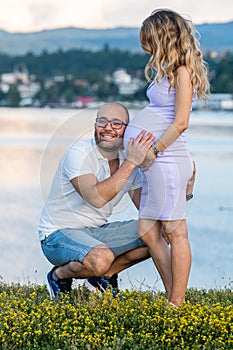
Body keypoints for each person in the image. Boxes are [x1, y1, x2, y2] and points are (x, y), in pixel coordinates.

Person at [38, 102, 195, 300]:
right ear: (95, 126)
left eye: (116, 124)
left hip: (96, 233)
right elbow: (96, 198)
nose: (107, 128)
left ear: (127, 130)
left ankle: (105, 275)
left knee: (157, 233)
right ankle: (59, 276)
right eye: (102, 122)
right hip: (57, 235)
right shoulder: (79, 153)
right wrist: (131, 163)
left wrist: (186, 192)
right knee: (101, 258)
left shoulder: (129, 162)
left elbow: (156, 213)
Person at [124, 9, 209, 306]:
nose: (146, 46)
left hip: (168, 160)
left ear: (162, 37)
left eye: (149, 39)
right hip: (157, 163)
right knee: (148, 232)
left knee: (176, 231)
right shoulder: (166, 71)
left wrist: (153, 151)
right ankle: (174, 295)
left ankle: (176, 303)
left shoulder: (182, 72)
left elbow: (181, 121)